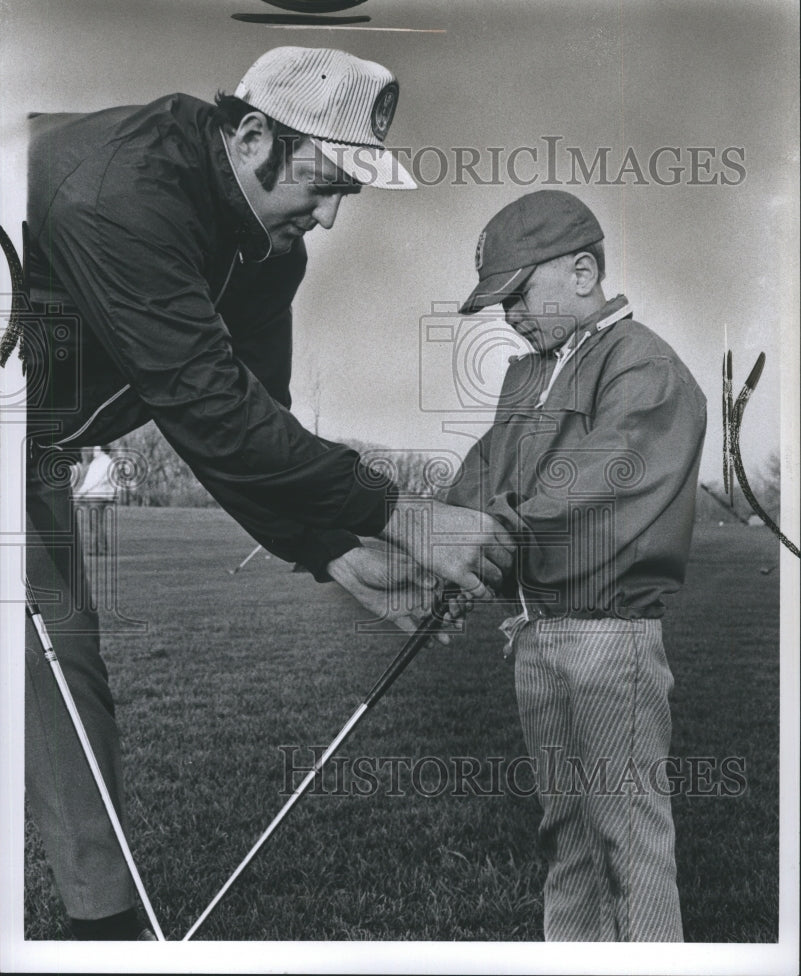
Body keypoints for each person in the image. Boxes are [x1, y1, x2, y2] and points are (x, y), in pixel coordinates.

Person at [8, 46, 513, 940]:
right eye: (319, 186)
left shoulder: (268, 255)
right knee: (40, 655)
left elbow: (253, 419)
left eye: (341, 200)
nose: (323, 218)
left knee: (61, 664)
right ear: (250, 137)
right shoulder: (118, 190)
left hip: (35, 443)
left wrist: (332, 551)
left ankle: (104, 933)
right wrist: (403, 515)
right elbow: (205, 407)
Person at [443, 190, 707, 941]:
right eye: (498, 304)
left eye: (517, 293)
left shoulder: (642, 365)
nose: (507, 316)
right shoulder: (528, 375)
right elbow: (484, 473)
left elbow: (583, 496)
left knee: (628, 839)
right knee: (566, 837)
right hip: (536, 632)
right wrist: (437, 542)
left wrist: (486, 540)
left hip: (607, 638)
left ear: (583, 271)